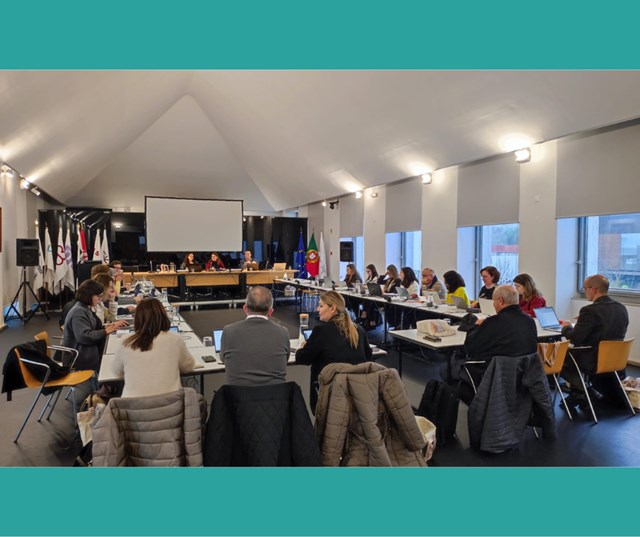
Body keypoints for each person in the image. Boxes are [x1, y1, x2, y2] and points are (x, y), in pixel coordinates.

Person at [295, 291, 372, 413]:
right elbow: (368, 359)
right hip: (357, 394)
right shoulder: (359, 330)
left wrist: (303, 347)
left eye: (321, 306)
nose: (317, 309)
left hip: (328, 394)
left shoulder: (321, 331)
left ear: (332, 308)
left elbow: (302, 358)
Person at [560, 274, 629, 408]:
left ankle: (586, 392)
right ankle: (579, 394)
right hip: (615, 358)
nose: (584, 291)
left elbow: (575, 338)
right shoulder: (621, 308)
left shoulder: (589, 311)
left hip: (594, 359)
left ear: (593, 290)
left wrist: (566, 327)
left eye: (585, 288)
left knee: (559, 357)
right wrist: (583, 323)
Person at [112, 298, 197, 398]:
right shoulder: (174, 339)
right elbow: (188, 366)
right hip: (171, 405)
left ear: (137, 318)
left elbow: (117, 372)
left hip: (133, 406)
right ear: (163, 316)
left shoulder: (126, 341)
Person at [461, 285, 538, 388]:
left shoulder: (492, 323)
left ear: (500, 301)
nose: (493, 304)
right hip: (524, 377)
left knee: (454, 365)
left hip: (494, 377)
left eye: (494, 301)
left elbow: (470, 348)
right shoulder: (530, 321)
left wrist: (476, 326)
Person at [220, 286, 290, 386]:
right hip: (275, 395)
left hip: (238, 395)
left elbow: (224, 360)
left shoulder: (228, 331)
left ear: (245, 308)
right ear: (271, 311)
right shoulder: (283, 332)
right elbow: (285, 360)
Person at [63, 280, 127, 370]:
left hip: (87, 352)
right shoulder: (79, 312)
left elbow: (94, 327)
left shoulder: (85, 308)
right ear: (88, 295)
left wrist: (107, 327)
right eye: (98, 296)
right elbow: (84, 336)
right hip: (81, 358)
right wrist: (105, 331)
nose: (100, 299)